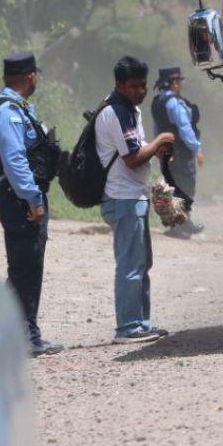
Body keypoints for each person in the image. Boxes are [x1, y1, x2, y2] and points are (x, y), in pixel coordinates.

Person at [0, 53, 63, 356]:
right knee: (25, 269)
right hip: (20, 200)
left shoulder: (17, 108)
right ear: (30, 77)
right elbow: (14, 160)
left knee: (25, 269)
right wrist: (32, 199)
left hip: (22, 198)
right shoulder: (7, 111)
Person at [95, 56, 175, 343]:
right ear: (119, 85)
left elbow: (137, 151)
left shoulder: (129, 108)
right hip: (123, 197)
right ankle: (127, 326)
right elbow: (131, 158)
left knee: (142, 263)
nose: (140, 91)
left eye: (143, 86)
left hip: (134, 195)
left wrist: (155, 150)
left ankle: (141, 323)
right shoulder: (116, 111)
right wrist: (158, 142)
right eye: (134, 86)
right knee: (130, 264)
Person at [151, 66, 205, 238]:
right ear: (173, 83)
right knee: (186, 185)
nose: (179, 84)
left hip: (166, 152)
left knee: (173, 186)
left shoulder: (158, 102)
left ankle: (177, 224)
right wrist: (197, 148)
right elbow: (185, 129)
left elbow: (156, 128)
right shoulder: (174, 103)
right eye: (177, 81)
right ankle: (184, 223)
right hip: (181, 151)